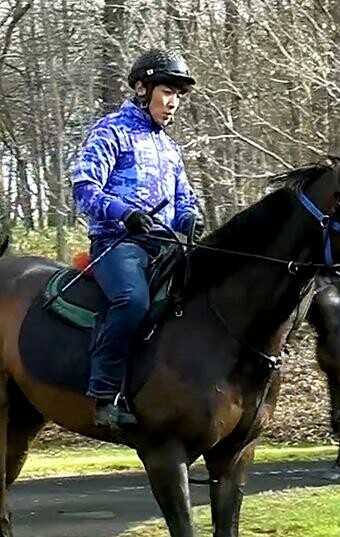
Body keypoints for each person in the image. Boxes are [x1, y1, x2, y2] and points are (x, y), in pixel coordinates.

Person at [71, 49, 205, 429]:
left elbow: (184, 199)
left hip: (164, 246)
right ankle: (104, 394)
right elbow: (83, 187)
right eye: (168, 92)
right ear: (143, 89)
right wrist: (124, 213)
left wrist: (190, 217)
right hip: (117, 244)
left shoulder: (169, 147)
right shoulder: (111, 130)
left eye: (179, 95)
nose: (174, 102)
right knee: (132, 301)